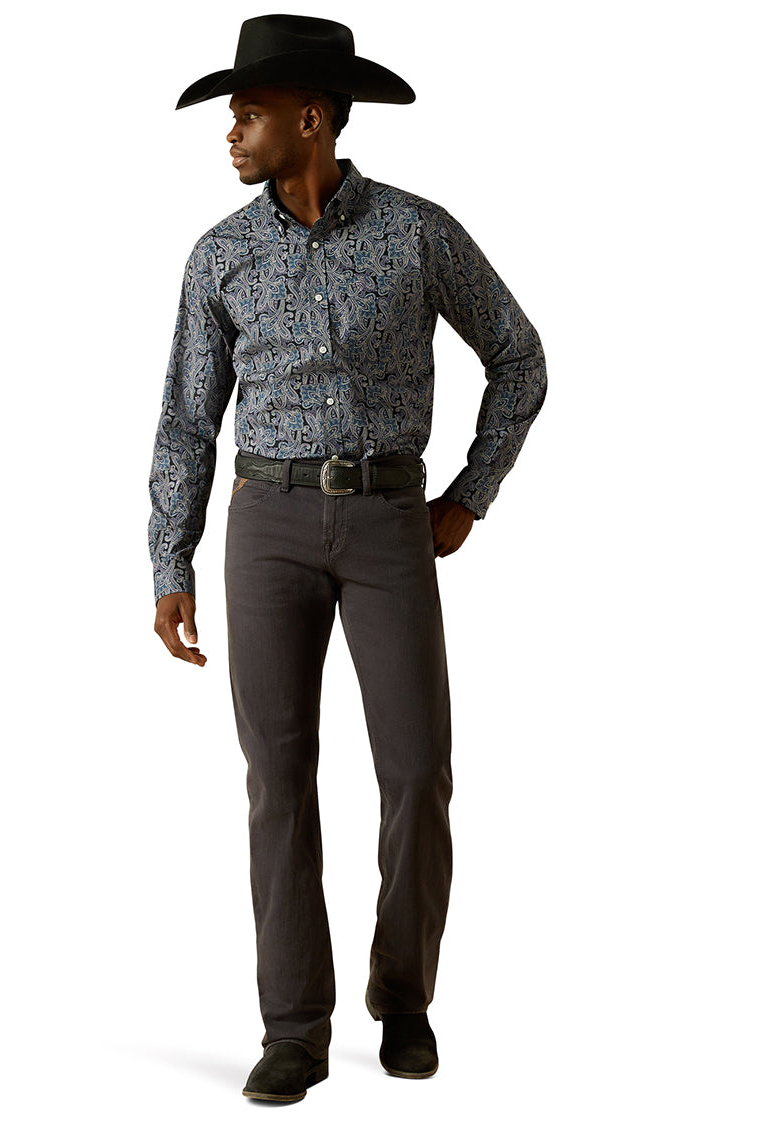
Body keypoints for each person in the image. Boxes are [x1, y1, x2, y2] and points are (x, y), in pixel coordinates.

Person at [148, 13, 548, 1104]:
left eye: (249, 112)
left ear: (312, 119)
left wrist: (469, 496)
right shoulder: (220, 255)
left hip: (387, 524)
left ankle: (404, 997)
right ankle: (294, 1028)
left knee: (417, 771)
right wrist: (171, 561)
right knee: (277, 781)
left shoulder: (418, 234)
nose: (232, 131)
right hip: (266, 528)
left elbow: (519, 358)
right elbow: (187, 419)